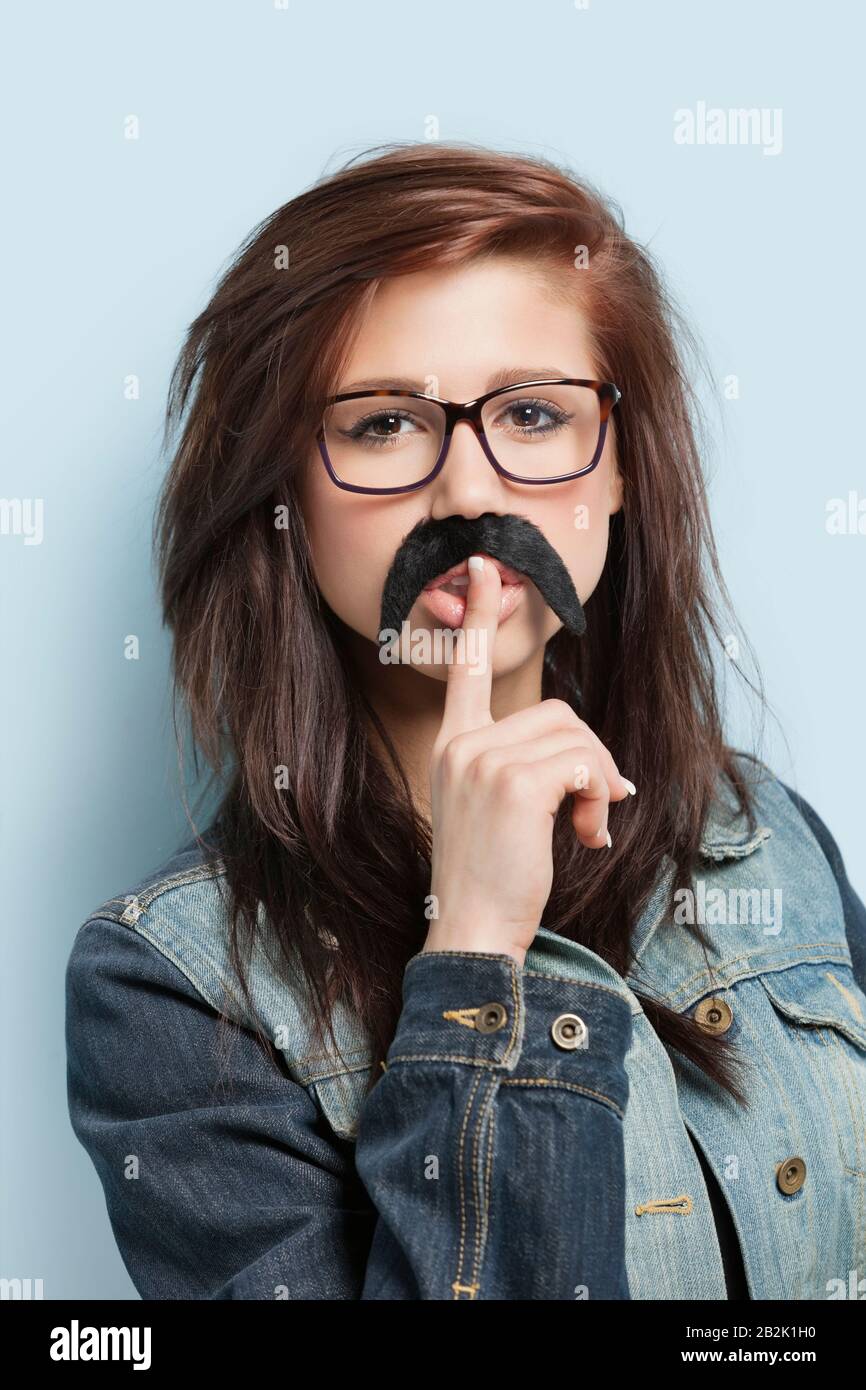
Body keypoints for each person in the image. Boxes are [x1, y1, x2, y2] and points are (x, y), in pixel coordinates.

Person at [65, 142, 866, 1301]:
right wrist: (477, 948)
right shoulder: (175, 989)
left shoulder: (762, 836)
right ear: (281, 491)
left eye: (533, 414)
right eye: (383, 425)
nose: (472, 495)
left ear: (621, 467)